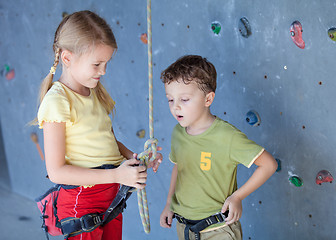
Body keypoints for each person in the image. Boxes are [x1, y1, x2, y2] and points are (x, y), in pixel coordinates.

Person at [35, 10, 162, 240]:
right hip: (82, 202)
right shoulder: (57, 101)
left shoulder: (94, 92)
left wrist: (135, 159)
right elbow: (56, 172)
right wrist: (116, 176)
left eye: (106, 63)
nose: (103, 71)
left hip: (110, 196)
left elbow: (108, 142)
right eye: (97, 64)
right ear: (67, 58)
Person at [159, 55, 277, 240]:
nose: (176, 107)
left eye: (184, 99)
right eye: (170, 100)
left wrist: (237, 197)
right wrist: (169, 204)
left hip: (219, 229)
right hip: (185, 228)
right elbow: (178, 168)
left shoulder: (227, 137)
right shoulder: (178, 133)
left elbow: (269, 165)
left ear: (208, 99)